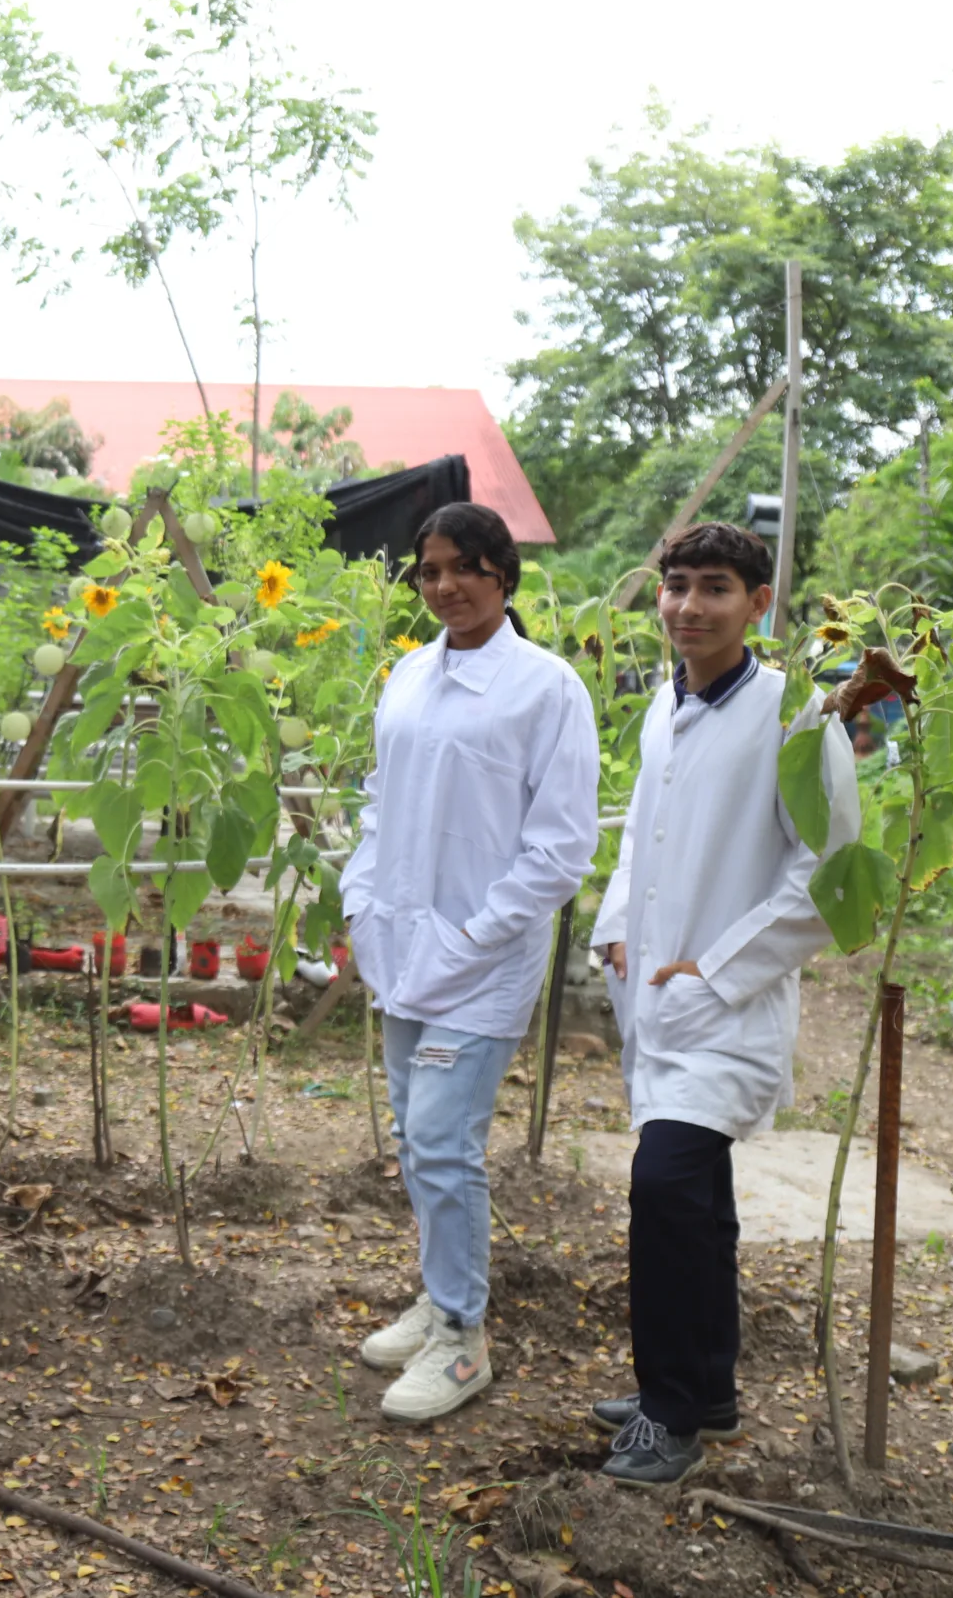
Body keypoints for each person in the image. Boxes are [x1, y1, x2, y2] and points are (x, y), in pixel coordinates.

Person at [587, 521, 863, 1488]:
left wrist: (716, 970)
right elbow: (639, 839)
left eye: (714, 588)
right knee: (698, 1203)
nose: (689, 606)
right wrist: (617, 925)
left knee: (663, 1188)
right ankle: (707, 1388)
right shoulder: (665, 705)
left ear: (760, 604)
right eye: (675, 587)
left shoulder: (799, 717)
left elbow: (830, 869)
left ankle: (668, 1414)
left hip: (725, 1009)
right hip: (657, 995)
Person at [341, 503, 599, 1423]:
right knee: (417, 1138)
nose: (445, 586)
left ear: (503, 573)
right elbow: (380, 798)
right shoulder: (410, 673)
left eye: (465, 568)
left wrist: (476, 933)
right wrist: (359, 895)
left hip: (479, 963)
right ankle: (438, 1292)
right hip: (403, 947)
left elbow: (561, 846)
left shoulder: (546, 687)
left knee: (447, 1142)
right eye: (430, 571)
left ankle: (462, 1337)